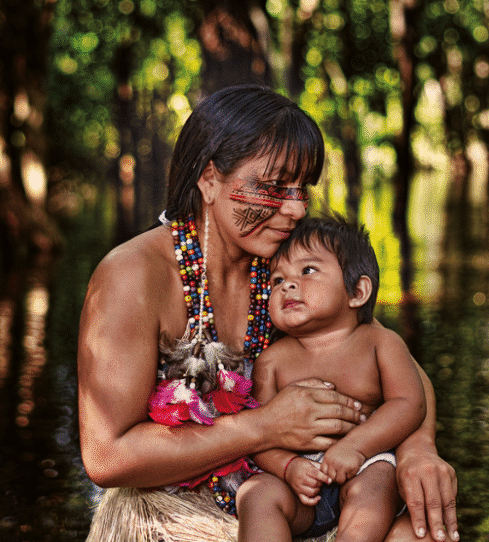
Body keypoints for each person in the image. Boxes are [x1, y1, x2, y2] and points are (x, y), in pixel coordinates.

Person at [78, 83, 459, 542]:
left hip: (300, 498)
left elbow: (399, 368)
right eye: (274, 187)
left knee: (422, 534)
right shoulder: (133, 276)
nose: (297, 208)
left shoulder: (283, 262)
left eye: (302, 189)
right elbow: (106, 457)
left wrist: (419, 451)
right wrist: (264, 426)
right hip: (173, 514)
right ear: (210, 178)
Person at [238, 216, 426, 542]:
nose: (288, 285)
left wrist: (355, 446)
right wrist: (287, 467)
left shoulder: (381, 344)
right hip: (299, 482)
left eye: (307, 271)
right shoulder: (272, 361)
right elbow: (259, 436)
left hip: (365, 459)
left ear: (357, 291)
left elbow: (409, 405)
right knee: (256, 493)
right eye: (277, 279)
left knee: (380, 481)